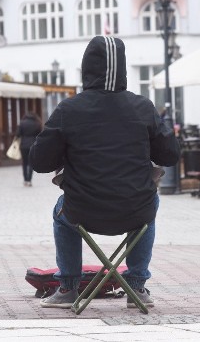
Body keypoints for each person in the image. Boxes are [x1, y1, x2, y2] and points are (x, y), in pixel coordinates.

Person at [29, 36, 180, 309]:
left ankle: (68, 287)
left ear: (86, 68)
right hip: (134, 211)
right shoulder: (143, 107)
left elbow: (39, 162)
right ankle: (136, 286)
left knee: (60, 212)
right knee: (150, 205)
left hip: (82, 211)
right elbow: (170, 155)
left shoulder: (69, 109)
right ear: (123, 69)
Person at [16, 113, 42, 187]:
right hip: (33, 145)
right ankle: (29, 180)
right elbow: (40, 135)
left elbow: (18, 134)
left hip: (23, 145)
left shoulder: (22, 123)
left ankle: (25, 180)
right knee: (31, 163)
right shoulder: (37, 123)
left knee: (24, 162)